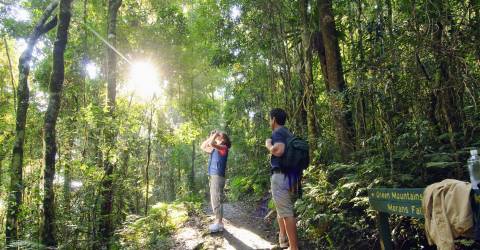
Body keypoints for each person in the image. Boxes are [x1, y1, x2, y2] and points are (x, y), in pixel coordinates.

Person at [265, 108, 299, 250]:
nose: (269, 121)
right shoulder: (288, 133)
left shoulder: (278, 132)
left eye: (269, 119)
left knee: (286, 212)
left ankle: (293, 247)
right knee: (282, 210)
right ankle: (283, 240)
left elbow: (278, 150)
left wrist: (268, 144)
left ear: (273, 119)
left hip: (280, 175)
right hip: (289, 175)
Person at [201, 130, 231, 233]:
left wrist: (214, 136)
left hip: (218, 176)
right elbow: (203, 146)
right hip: (214, 176)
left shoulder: (224, 148)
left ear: (224, 139)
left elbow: (211, 143)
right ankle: (218, 222)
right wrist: (211, 136)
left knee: (216, 199)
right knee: (214, 198)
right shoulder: (215, 149)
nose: (218, 135)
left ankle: (219, 223)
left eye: (220, 135)